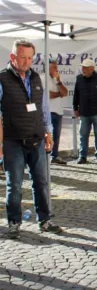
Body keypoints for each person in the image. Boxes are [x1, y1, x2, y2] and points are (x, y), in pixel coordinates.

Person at [1, 39, 63, 239]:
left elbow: (43, 108)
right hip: (13, 140)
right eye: (23, 57)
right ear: (13, 57)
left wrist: (48, 132)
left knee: (42, 182)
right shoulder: (2, 79)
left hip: (36, 137)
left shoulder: (36, 78)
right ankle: (14, 223)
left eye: (30, 57)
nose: (28, 61)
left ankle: (44, 220)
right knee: (15, 184)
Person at [73, 58, 97, 165]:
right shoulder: (79, 78)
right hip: (84, 112)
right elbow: (76, 95)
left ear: (92, 69)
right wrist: (75, 108)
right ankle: (82, 156)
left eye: (85, 67)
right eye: (82, 67)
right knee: (83, 135)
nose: (83, 69)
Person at [48, 58, 68, 164]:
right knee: (50, 135)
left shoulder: (57, 79)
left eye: (57, 66)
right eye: (54, 67)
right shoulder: (43, 78)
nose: (56, 69)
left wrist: (59, 82)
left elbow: (65, 93)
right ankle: (48, 156)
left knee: (57, 135)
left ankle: (54, 156)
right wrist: (59, 94)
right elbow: (47, 95)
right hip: (49, 111)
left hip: (59, 111)